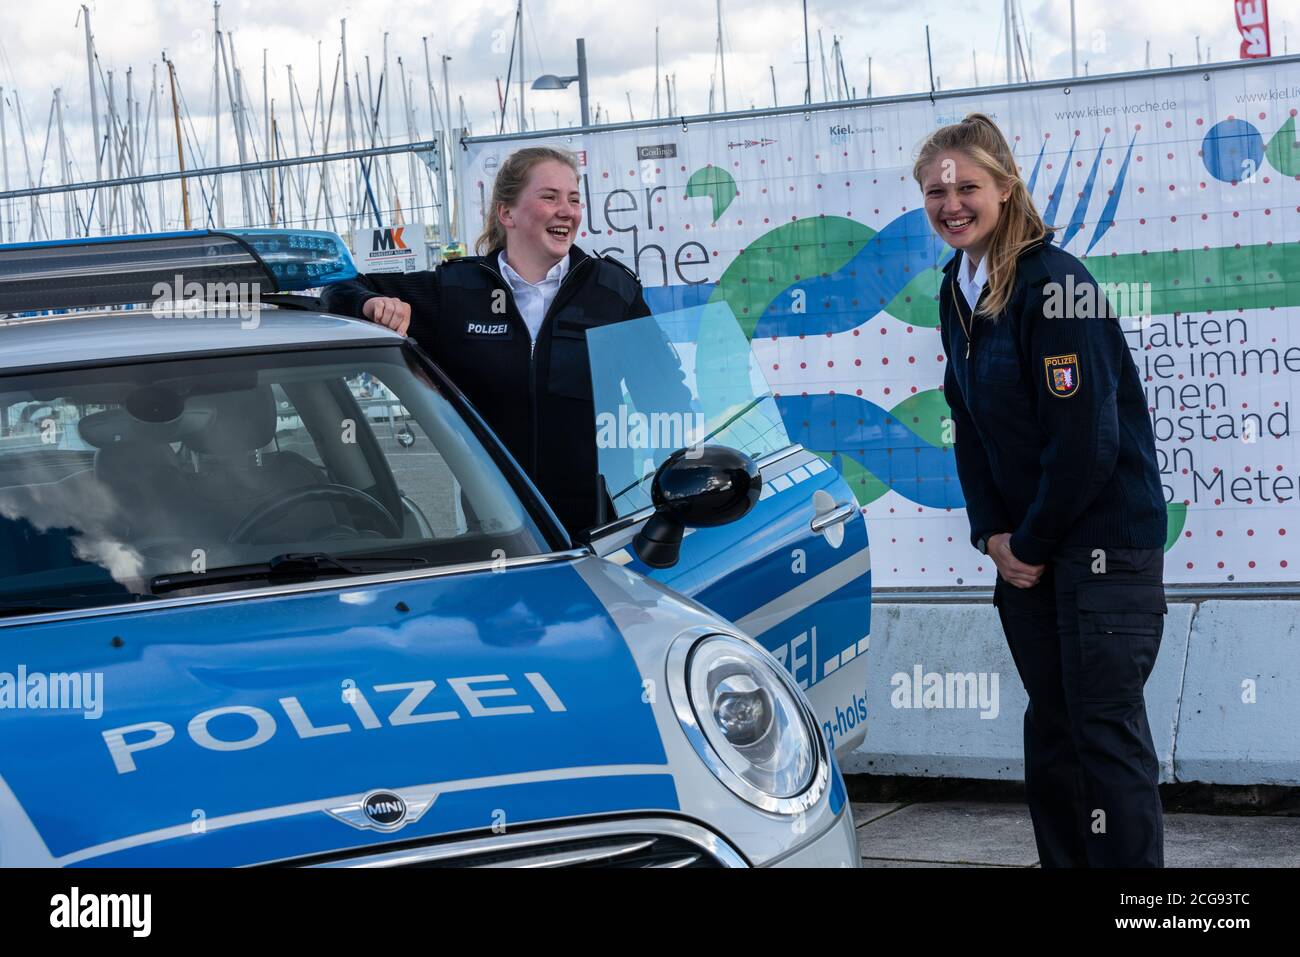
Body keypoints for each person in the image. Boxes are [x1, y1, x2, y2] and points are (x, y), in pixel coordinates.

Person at [914, 113, 1170, 867]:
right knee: (1054, 738)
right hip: (1028, 556)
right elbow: (968, 418)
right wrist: (991, 532)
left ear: (1005, 188)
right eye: (936, 190)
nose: (951, 202)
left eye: (967, 187)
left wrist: (1027, 542)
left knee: (1102, 742)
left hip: (1099, 555)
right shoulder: (956, 288)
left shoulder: (1059, 284)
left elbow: (1087, 442)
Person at [322, 146, 688, 537]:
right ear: (507, 213)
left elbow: (668, 403)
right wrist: (372, 302)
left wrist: (675, 501)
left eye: (574, 199)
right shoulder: (456, 291)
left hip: (598, 532)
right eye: (550, 197)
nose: (567, 210)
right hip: (496, 534)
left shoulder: (613, 292)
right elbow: (339, 290)